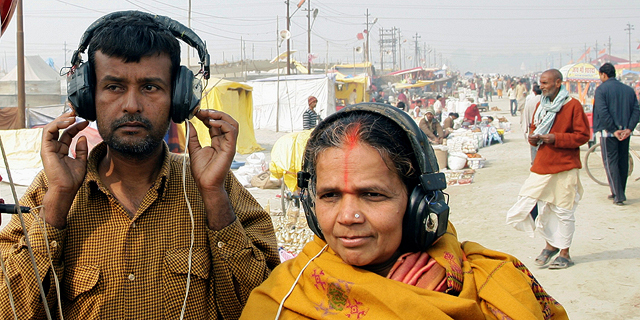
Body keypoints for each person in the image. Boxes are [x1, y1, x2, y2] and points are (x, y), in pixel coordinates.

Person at [0, 12, 279, 319]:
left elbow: (262, 309)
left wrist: (213, 197)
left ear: (180, 97)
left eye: (150, 87)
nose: (131, 105)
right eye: (114, 87)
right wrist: (57, 202)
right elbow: (11, 310)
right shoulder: (50, 191)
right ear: (87, 96)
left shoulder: (219, 188)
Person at [240, 103, 568, 319]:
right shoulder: (282, 300)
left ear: (420, 203)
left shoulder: (494, 285)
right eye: (330, 195)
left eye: (372, 195)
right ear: (311, 206)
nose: (347, 216)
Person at [506, 69, 590, 270]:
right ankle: (550, 245)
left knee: (563, 210)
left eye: (545, 83)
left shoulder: (573, 106)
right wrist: (533, 138)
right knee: (541, 208)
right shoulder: (541, 106)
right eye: (541, 83)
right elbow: (534, 129)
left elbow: (583, 135)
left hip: (565, 166)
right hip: (542, 165)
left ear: (558, 83)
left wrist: (556, 138)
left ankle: (564, 252)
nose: (541, 86)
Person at [593, 63, 640, 205]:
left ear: (603, 75)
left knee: (610, 162)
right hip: (625, 132)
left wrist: (614, 130)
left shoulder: (601, 90)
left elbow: (603, 112)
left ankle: (618, 195)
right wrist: (629, 129)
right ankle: (619, 191)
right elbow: (636, 111)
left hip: (610, 134)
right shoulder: (628, 90)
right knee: (623, 161)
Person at [521, 84, 543, 163]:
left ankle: (534, 162)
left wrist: (525, 128)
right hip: (544, 126)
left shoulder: (530, 101)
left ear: (534, 91)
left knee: (533, 146)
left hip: (532, 126)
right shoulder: (546, 101)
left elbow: (525, 115)